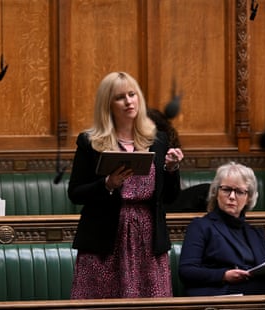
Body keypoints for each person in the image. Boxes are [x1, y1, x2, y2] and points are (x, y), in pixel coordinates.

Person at [68, 71, 184, 299]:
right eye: (121, 97)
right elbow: (75, 193)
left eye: (132, 94)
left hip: (148, 241)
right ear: (107, 104)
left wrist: (172, 169)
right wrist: (107, 184)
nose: (129, 101)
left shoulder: (157, 140)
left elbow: (170, 198)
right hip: (105, 240)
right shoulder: (90, 142)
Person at [178, 162, 265, 296]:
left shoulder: (255, 233)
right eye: (226, 189)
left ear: (249, 198)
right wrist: (223, 275)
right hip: (217, 292)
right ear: (216, 192)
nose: (231, 196)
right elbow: (187, 271)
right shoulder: (201, 226)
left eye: (239, 192)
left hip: (251, 293)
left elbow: (264, 272)